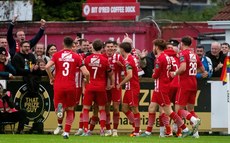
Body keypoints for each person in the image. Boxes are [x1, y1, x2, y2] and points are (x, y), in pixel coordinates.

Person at [141, 39, 191, 138]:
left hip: (161, 87)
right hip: (159, 87)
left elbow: (156, 75)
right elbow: (171, 72)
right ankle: (148, 132)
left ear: (157, 47)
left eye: (154, 46)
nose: (153, 49)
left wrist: (153, 73)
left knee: (168, 111)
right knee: (151, 108)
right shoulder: (167, 57)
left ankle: (185, 129)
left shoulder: (160, 58)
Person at [45, 36, 89, 139]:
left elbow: (47, 67)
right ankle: (66, 132)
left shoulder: (56, 55)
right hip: (71, 86)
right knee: (70, 109)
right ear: (72, 45)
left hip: (59, 85)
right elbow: (86, 72)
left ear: (63, 44)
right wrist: (88, 80)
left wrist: (51, 78)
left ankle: (60, 114)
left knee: (59, 106)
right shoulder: (77, 57)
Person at [170, 36, 208, 138]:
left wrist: (175, 73)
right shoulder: (194, 55)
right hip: (193, 83)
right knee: (190, 109)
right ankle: (196, 134)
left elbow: (182, 68)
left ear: (182, 44)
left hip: (184, 84)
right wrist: (192, 72)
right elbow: (203, 69)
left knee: (178, 110)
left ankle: (193, 120)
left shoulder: (183, 53)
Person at [81, 39, 114, 136]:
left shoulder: (87, 59)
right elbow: (110, 73)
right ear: (102, 48)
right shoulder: (104, 60)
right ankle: (102, 129)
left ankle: (86, 130)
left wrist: (84, 85)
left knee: (86, 109)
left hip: (90, 85)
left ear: (92, 48)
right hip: (101, 87)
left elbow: (84, 74)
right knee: (102, 109)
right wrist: (111, 83)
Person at [117, 42, 140, 136]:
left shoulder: (128, 60)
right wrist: (122, 66)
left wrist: (120, 84)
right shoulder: (130, 58)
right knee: (124, 108)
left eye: (119, 48)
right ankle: (135, 127)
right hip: (129, 87)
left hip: (132, 87)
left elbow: (130, 75)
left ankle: (137, 131)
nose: (118, 50)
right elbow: (132, 70)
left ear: (122, 49)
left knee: (134, 108)